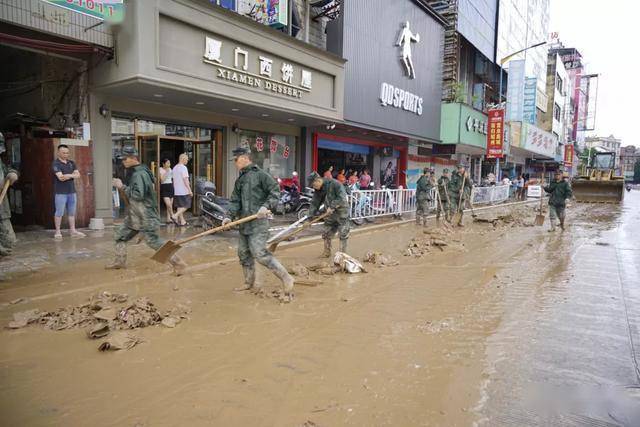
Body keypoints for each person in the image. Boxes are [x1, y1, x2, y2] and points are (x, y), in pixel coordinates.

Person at [222, 147, 294, 300]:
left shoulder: (261, 175)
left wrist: (266, 206)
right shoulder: (240, 179)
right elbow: (235, 201)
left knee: (260, 254)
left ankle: (286, 277)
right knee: (243, 253)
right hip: (245, 224)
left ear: (244, 158)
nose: (235, 163)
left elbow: (275, 191)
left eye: (236, 160)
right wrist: (228, 216)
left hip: (259, 223)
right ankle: (249, 282)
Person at [107, 147, 186, 275]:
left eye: (125, 159)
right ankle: (119, 261)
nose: (123, 161)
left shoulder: (140, 174)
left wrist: (121, 186)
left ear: (133, 158)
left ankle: (178, 263)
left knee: (152, 240)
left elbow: (139, 195)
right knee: (120, 236)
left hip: (146, 215)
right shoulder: (139, 171)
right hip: (136, 215)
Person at [308, 171, 350, 257]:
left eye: (313, 185)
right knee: (326, 232)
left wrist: (332, 206)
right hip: (329, 214)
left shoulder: (335, 184)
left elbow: (341, 198)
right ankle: (327, 252)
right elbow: (315, 203)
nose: (313, 187)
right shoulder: (319, 190)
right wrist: (310, 217)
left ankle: (342, 255)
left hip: (341, 211)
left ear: (318, 180)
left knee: (343, 232)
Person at [52, 144, 85, 239]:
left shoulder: (71, 163)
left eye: (67, 153)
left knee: (71, 212)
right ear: (58, 152)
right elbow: (61, 178)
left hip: (72, 191)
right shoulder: (56, 164)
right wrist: (71, 175)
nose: (66, 154)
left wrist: (68, 175)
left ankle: (73, 230)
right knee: (59, 212)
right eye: (63, 153)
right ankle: (58, 231)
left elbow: (78, 175)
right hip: (60, 192)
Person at [0, 132, 19, 258]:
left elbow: (9, 169)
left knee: (8, 241)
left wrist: (12, 174)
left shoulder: (1, 161)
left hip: (2, 208)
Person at [171, 153, 192, 226]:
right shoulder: (183, 168)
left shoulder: (174, 168)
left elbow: (173, 181)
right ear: (182, 159)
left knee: (180, 206)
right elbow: (185, 180)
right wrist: (189, 190)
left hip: (177, 191)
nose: (187, 161)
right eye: (186, 159)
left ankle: (182, 221)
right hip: (184, 190)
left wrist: (175, 189)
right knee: (187, 205)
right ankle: (175, 216)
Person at [159, 158, 174, 224]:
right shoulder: (160, 169)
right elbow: (162, 180)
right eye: (167, 163)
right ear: (163, 164)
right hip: (164, 186)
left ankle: (168, 218)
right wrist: (167, 172)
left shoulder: (170, 169)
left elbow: (172, 179)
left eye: (169, 163)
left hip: (170, 186)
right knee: (168, 204)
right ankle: (173, 216)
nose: (169, 164)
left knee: (170, 204)